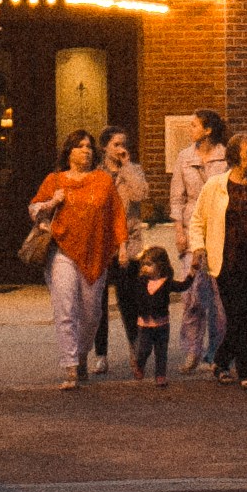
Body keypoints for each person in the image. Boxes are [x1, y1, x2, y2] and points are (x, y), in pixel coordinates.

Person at [30, 129, 127, 388]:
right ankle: (70, 366)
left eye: (89, 146)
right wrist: (52, 202)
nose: (86, 150)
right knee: (66, 309)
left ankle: (82, 353)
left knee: (92, 313)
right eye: (80, 146)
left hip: (95, 252)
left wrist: (123, 245)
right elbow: (34, 207)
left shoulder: (103, 181)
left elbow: (116, 214)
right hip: (62, 251)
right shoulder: (55, 180)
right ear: (69, 152)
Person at [172, 115, 234, 382]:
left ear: (208, 130)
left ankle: (218, 355)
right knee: (192, 296)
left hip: (219, 230)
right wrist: (178, 230)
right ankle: (191, 350)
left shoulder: (225, 156)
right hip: (191, 229)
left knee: (220, 301)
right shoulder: (184, 157)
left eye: (194, 125)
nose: (190, 129)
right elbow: (177, 196)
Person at [210, 135, 247, 384]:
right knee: (237, 316)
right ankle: (246, 374)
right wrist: (199, 249)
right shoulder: (216, 185)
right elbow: (199, 220)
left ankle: (221, 360)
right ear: (235, 157)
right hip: (226, 261)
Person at [98, 128, 150, 364]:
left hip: (128, 243)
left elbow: (141, 194)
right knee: (98, 303)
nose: (121, 149)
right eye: (117, 144)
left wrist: (127, 168)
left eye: (124, 144)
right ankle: (101, 354)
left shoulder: (134, 170)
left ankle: (135, 346)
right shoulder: (97, 174)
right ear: (105, 147)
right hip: (102, 243)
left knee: (128, 299)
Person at [124, 246, 179, 381]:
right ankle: (140, 365)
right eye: (143, 264)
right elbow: (131, 293)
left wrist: (191, 275)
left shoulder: (166, 282)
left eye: (149, 264)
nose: (144, 267)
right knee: (144, 349)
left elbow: (182, 286)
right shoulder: (141, 282)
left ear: (160, 266)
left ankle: (160, 375)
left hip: (162, 324)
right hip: (145, 325)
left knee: (161, 352)